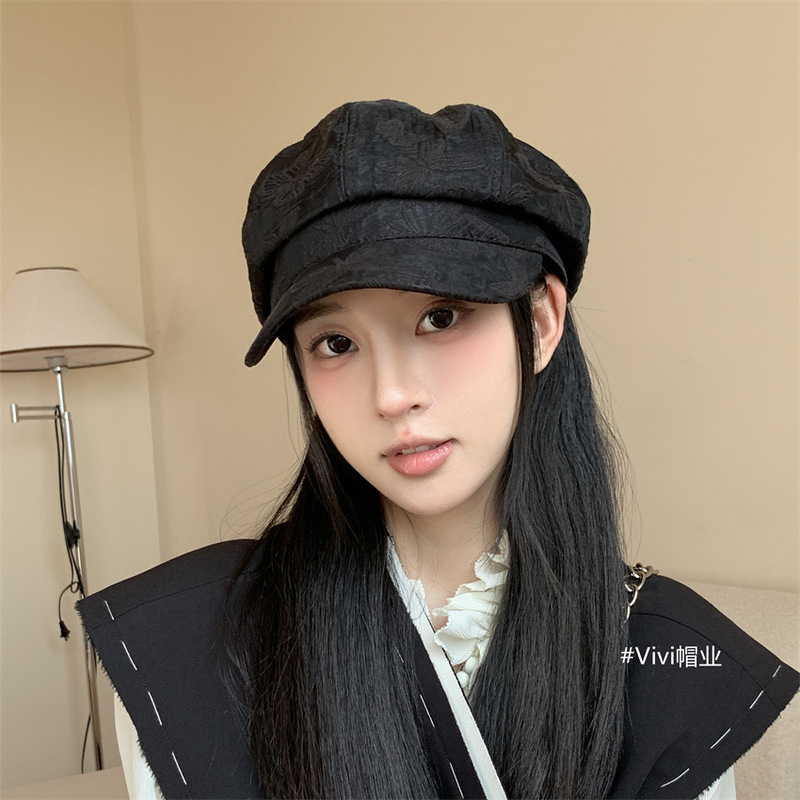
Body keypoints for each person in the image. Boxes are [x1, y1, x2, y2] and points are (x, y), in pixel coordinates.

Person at [78, 100, 798, 800]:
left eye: (441, 316)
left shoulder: (671, 660)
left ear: (541, 322)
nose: (392, 395)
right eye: (336, 342)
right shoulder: (184, 647)